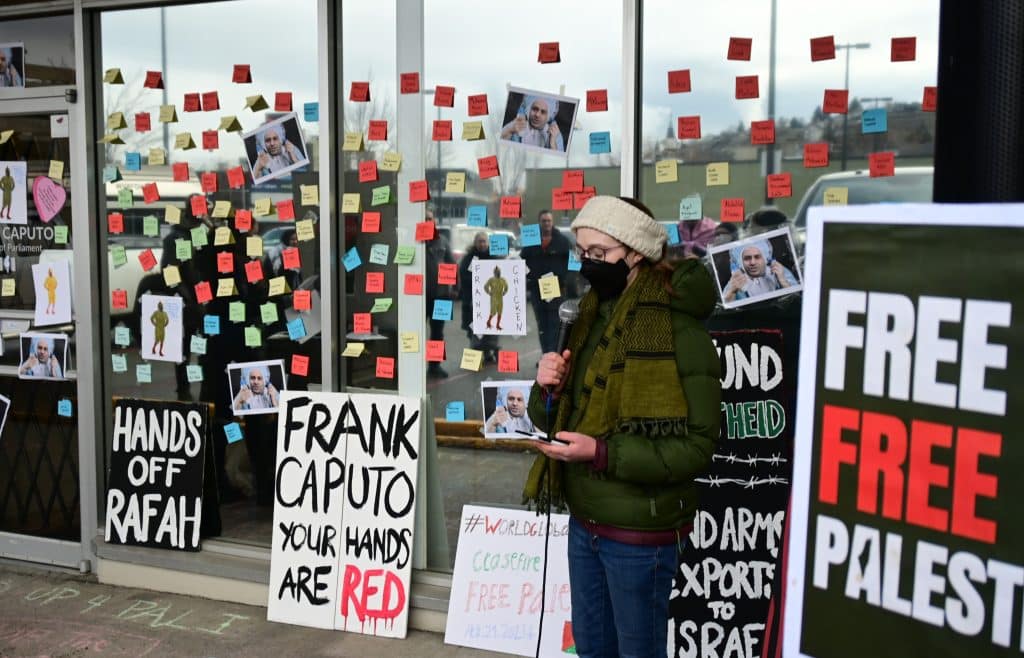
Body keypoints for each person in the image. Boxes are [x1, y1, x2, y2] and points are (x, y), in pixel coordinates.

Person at [521, 195, 721, 657]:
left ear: (636, 253)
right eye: (584, 253)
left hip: (639, 537)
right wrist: (546, 388)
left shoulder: (681, 332)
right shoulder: (588, 317)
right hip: (584, 523)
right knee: (592, 651)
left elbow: (696, 448)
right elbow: (549, 420)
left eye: (600, 254)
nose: (588, 264)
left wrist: (601, 453)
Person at [521, 209, 573, 353]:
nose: (546, 223)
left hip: (555, 289)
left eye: (549, 221)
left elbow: (573, 263)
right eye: (544, 221)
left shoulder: (562, 241)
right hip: (537, 289)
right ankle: (546, 354)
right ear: (539, 222)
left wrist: (563, 279)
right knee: (542, 325)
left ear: (552, 222)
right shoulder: (531, 240)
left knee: (554, 324)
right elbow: (522, 261)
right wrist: (529, 277)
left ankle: (553, 354)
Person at [457, 231, 500, 360]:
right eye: (479, 241)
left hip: (490, 301)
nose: (482, 244)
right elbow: (464, 276)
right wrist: (480, 282)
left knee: (490, 328)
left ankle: (488, 354)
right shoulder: (469, 258)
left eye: (484, 241)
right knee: (475, 331)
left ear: (488, 243)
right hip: (472, 301)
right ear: (475, 243)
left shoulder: (494, 257)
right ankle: (474, 359)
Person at [424, 210, 455, 378]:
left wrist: (456, 287)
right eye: (425, 218)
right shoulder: (414, 241)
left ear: (434, 221)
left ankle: (434, 366)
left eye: (430, 218)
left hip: (441, 295)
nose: (428, 221)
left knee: (437, 333)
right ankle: (409, 366)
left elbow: (452, 263)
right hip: (419, 298)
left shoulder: (442, 241)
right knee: (414, 333)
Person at [723, 239, 797, 303]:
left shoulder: (780, 271)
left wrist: (783, 281)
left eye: (757, 257)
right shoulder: (735, 280)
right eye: (747, 258)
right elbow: (726, 308)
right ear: (740, 262)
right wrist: (732, 292)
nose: (752, 262)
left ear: (765, 258)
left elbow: (798, 299)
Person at [483, 265, 508, 331]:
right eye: (497, 272)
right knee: (493, 311)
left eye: (499, 272)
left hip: (500, 297)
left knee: (500, 311)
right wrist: (488, 292)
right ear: (494, 272)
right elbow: (485, 286)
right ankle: (488, 322)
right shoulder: (491, 280)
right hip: (493, 297)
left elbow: (506, 287)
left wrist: (504, 292)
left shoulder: (503, 279)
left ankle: (497, 325)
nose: (498, 273)